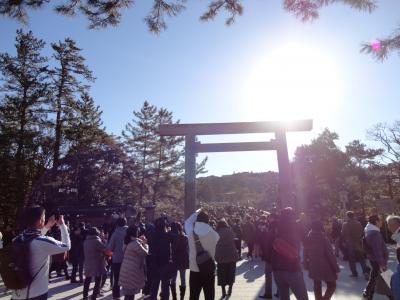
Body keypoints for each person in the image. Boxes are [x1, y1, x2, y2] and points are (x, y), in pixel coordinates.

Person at [11, 206, 71, 300]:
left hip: (17, 293)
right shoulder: (43, 242)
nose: (44, 220)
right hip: (37, 293)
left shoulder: (17, 239)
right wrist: (63, 225)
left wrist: (47, 226)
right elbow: (66, 246)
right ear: (40, 221)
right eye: (43, 217)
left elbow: (35, 239)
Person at [269, 207, 309, 300]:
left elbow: (268, 245)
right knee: (302, 297)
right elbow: (307, 242)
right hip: (293, 267)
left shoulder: (274, 226)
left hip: (277, 269)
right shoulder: (296, 225)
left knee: (283, 297)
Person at [185, 209, 220, 300]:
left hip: (194, 268)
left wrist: (197, 212)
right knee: (209, 296)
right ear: (208, 220)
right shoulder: (214, 234)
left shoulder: (190, 231)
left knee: (193, 296)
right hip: (208, 268)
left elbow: (188, 221)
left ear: (197, 220)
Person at [306, 220, 340, 300]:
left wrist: (306, 264)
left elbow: (305, 252)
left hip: (313, 265)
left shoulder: (308, 236)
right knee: (332, 285)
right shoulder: (323, 238)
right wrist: (336, 268)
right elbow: (330, 254)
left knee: (317, 285)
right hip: (325, 265)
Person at [148, 217, 175, 300]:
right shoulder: (168, 235)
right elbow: (176, 235)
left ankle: (153, 298)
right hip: (165, 262)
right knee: (165, 285)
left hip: (154, 262)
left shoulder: (152, 234)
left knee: (154, 284)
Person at [119, 225, 149, 300]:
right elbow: (145, 253)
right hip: (132, 270)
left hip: (125, 268)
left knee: (128, 294)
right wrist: (145, 243)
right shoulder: (135, 243)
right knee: (130, 294)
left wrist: (140, 241)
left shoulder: (126, 241)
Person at [363, 215, 388, 300]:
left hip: (374, 259)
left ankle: (367, 294)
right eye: (380, 220)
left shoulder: (370, 231)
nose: (382, 222)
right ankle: (367, 293)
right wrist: (382, 264)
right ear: (376, 222)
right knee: (384, 280)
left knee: (374, 278)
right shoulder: (374, 233)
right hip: (378, 261)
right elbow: (378, 250)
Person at [341, 211, 369, 279]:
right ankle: (365, 272)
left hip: (349, 244)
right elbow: (362, 232)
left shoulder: (345, 224)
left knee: (351, 259)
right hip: (358, 243)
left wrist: (343, 241)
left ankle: (354, 273)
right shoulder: (358, 223)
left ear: (347, 216)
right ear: (353, 216)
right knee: (361, 258)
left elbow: (342, 234)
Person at [215, 219, 239, 298]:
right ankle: (230, 289)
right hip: (231, 255)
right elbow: (235, 236)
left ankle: (223, 291)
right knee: (231, 273)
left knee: (222, 274)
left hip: (221, 256)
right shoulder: (230, 231)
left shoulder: (216, 232)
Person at [82, 227, 107, 300]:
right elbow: (104, 248)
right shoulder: (96, 240)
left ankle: (85, 297)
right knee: (98, 281)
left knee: (87, 281)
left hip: (88, 263)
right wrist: (103, 239)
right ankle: (94, 297)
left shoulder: (86, 241)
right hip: (97, 263)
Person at [107, 217, 128, 300]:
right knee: (127, 280)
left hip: (117, 260)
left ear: (117, 224)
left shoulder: (115, 234)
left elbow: (110, 248)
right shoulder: (129, 231)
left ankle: (116, 297)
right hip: (128, 260)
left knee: (117, 280)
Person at [170, 222, 189, 300]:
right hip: (183, 259)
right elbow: (187, 249)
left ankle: (174, 297)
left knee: (173, 279)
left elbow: (172, 249)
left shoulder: (173, 237)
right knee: (183, 279)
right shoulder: (185, 237)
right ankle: (182, 297)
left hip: (175, 259)